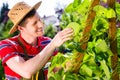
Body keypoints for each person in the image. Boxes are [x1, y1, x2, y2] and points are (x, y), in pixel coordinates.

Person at [0, 1, 73, 80]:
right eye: (34, 23)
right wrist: (52, 45)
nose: (41, 25)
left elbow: (57, 70)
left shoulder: (47, 42)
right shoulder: (6, 45)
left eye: (40, 19)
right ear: (21, 28)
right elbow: (26, 72)